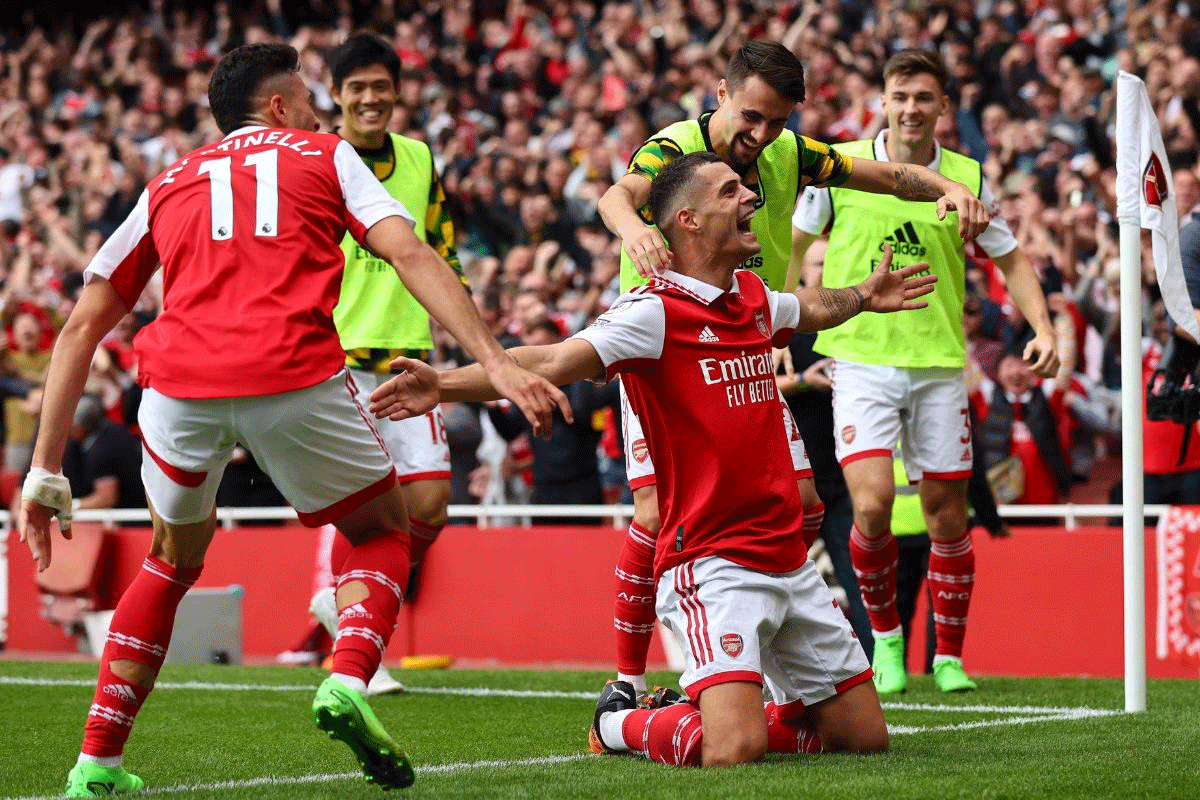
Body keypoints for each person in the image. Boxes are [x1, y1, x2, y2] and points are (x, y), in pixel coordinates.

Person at [18, 42, 567, 797]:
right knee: (382, 530)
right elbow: (408, 252)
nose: (319, 110)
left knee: (169, 562)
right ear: (279, 106)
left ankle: (95, 767)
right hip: (293, 376)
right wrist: (496, 363)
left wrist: (44, 470)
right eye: (310, 97)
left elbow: (81, 326)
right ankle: (346, 680)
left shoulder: (167, 181)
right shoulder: (327, 153)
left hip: (179, 389)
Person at [372, 151, 937, 767]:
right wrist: (445, 385)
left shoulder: (749, 294)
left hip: (790, 563)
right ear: (688, 220)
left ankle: (740, 706)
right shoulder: (653, 311)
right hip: (714, 565)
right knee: (734, 751)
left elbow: (806, 309)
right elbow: (555, 360)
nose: (751, 198)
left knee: (863, 741)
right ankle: (620, 722)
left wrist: (863, 294)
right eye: (731, 192)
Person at [594, 39, 990, 701]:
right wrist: (631, 230)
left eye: (776, 121)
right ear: (720, 94)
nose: (761, 134)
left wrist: (949, 185)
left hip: (742, 339)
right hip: (664, 346)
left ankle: (769, 646)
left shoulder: (790, 153)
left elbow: (888, 177)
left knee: (803, 502)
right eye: (750, 116)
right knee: (656, 508)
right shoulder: (672, 151)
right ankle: (627, 681)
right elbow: (619, 193)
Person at [791, 48, 1059, 695]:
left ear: (944, 107)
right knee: (874, 504)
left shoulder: (967, 176)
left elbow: (1014, 261)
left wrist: (1045, 329)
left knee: (946, 516)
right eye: (900, 96)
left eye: (924, 98)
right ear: (883, 101)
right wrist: (775, 320)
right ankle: (884, 641)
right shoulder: (843, 168)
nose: (911, 109)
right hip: (861, 359)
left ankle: (949, 658)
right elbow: (793, 244)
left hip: (939, 365)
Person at [303, 32, 467, 696]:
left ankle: (341, 597)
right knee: (364, 502)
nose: (370, 98)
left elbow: (440, 242)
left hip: (408, 358)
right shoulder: (318, 158)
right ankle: (352, 628)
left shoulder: (420, 158)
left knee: (429, 501)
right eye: (357, 87)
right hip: (336, 353)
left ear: (397, 92)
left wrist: (459, 314)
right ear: (336, 95)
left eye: (381, 85)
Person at [485, 317, 619, 523]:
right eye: (531, 350)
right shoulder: (529, 391)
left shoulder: (582, 383)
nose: (539, 357)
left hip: (582, 487)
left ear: (560, 344)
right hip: (544, 488)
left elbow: (579, 411)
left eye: (543, 348)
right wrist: (493, 409)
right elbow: (510, 431)